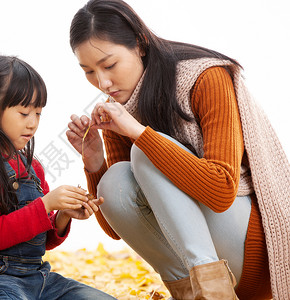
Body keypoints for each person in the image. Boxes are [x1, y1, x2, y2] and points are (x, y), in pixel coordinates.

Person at [66, 0, 290, 299]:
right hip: (205, 270)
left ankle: (212, 290)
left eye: (109, 65)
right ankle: (195, 293)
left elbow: (222, 191)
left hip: (255, 254)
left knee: (145, 151)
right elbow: (116, 227)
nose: (103, 82)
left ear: (140, 44)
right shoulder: (119, 107)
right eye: (88, 71)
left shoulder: (206, 78)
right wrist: (94, 162)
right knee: (116, 177)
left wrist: (139, 134)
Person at [0, 55, 116, 300]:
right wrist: (46, 204)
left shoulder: (33, 167)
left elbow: (41, 241)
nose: (32, 123)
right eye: (24, 113)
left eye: (38, 113)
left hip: (36, 277)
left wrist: (64, 214)